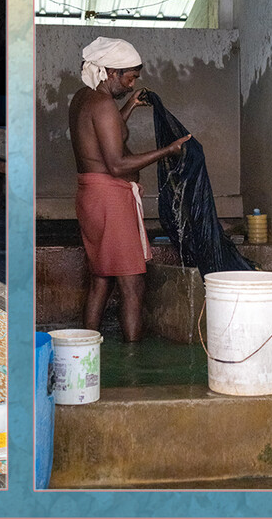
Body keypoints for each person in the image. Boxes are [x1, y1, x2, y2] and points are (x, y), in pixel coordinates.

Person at [68, 37, 190, 342]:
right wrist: (167, 150)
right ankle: (133, 362)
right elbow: (118, 164)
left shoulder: (84, 99)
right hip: (110, 197)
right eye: (130, 77)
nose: (132, 82)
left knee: (101, 279)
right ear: (110, 72)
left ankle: (84, 350)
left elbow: (101, 136)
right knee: (133, 284)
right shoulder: (104, 105)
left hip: (90, 194)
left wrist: (130, 106)